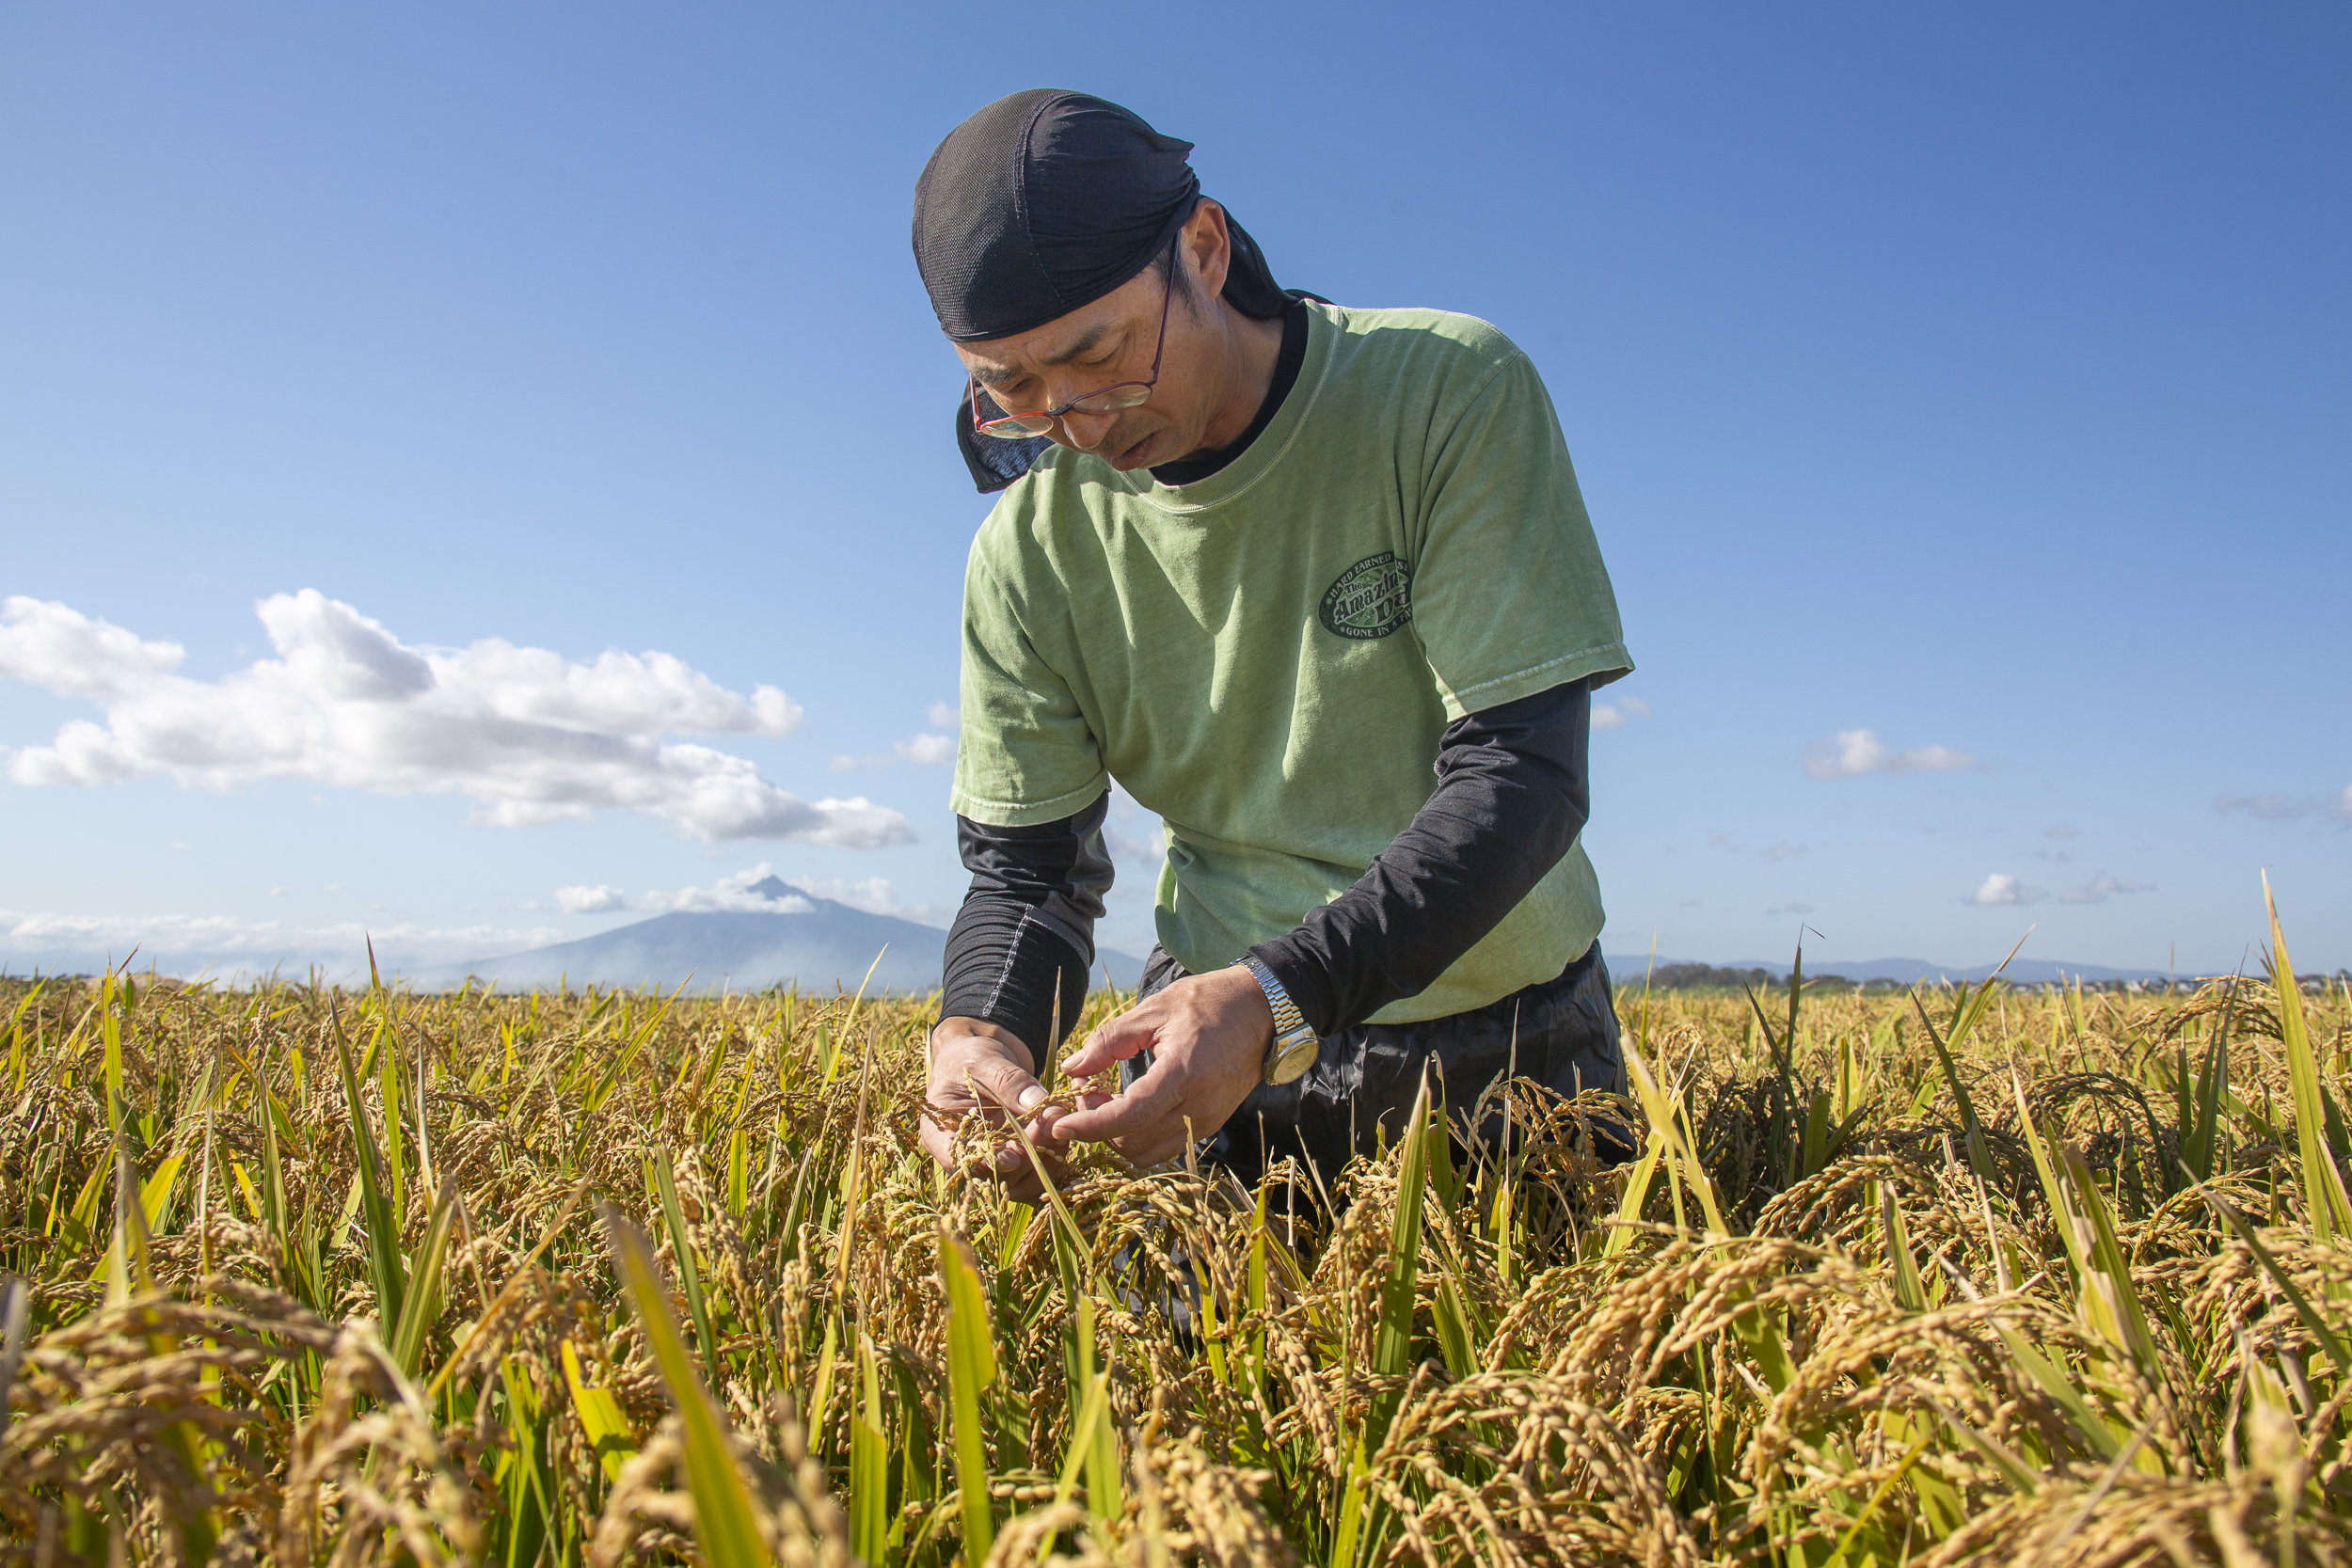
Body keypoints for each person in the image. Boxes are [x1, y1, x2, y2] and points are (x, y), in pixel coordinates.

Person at [913, 89, 1633, 1198]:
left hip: (1512, 1042)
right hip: (1210, 1051)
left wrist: (1277, 996)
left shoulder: (1444, 393)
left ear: (1201, 250)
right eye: (1010, 387)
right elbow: (1030, 873)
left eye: (1100, 354)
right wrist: (981, 1032)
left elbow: (1522, 775)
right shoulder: (1026, 551)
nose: (1077, 424)